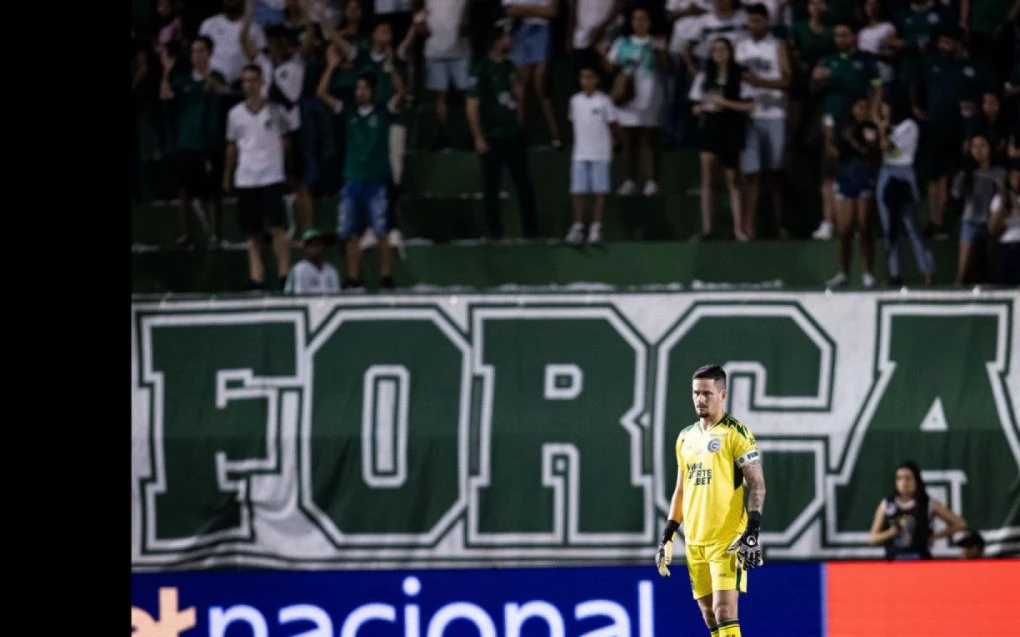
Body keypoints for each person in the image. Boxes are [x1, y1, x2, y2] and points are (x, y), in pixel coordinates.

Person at [656, 365, 766, 637]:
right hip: (694, 540)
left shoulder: (736, 433)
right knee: (709, 615)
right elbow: (680, 490)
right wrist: (669, 534)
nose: (700, 399)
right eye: (696, 393)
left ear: (722, 394)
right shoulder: (685, 437)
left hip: (727, 538)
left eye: (707, 393)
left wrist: (752, 530)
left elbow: (757, 484)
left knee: (725, 610)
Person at [466, 20, 539, 240]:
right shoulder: (481, 68)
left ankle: (531, 231)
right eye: (507, 37)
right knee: (492, 187)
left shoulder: (510, 67)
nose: (511, 40)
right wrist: (478, 136)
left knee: (524, 183)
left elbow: (518, 99)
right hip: (492, 136)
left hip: (513, 135)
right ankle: (494, 232)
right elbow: (472, 105)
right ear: (497, 41)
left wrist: (520, 123)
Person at [223, 63, 292, 291]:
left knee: (277, 228)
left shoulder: (276, 110)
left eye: (253, 80)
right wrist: (228, 174)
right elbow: (232, 147)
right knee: (252, 232)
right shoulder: (234, 114)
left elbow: (286, 142)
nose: (249, 85)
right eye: (245, 81)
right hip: (247, 177)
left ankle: (284, 276)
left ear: (262, 82)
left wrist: (285, 169)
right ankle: (257, 278)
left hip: (271, 176)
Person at [335, 72, 399, 290]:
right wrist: (332, 66)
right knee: (349, 231)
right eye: (357, 88)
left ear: (373, 91)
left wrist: (392, 71)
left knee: (382, 230)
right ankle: (353, 276)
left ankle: (386, 275)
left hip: (377, 181)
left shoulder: (383, 112)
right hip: (352, 179)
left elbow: (401, 93)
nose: (359, 92)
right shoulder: (349, 112)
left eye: (364, 88)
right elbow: (321, 93)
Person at [689, 38, 754, 241]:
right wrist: (701, 108)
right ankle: (708, 229)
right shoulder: (703, 77)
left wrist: (725, 102)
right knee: (707, 179)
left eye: (722, 48)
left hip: (732, 128)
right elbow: (694, 106)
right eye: (715, 49)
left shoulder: (740, 76)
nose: (718, 52)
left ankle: (738, 229)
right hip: (710, 128)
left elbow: (750, 106)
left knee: (734, 179)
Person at [736, 3, 792, 239]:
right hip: (750, 114)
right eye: (750, 21)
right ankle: (748, 228)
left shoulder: (777, 45)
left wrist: (760, 83)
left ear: (767, 21)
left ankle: (780, 225)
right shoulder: (741, 46)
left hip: (775, 114)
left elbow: (788, 80)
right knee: (751, 174)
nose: (753, 25)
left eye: (758, 21)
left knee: (776, 172)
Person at [603, 6, 668, 196]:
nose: (639, 22)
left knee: (649, 138)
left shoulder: (656, 43)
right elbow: (610, 67)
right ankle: (630, 180)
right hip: (628, 92)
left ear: (649, 22)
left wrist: (661, 51)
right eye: (635, 19)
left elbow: (666, 67)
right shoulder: (622, 43)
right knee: (629, 139)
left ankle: (652, 181)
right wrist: (601, 53)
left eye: (643, 18)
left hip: (651, 92)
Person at [874, 100, 934, 286]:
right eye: (882, 106)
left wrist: (882, 129)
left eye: (887, 106)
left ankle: (927, 271)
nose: (885, 110)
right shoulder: (885, 126)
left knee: (912, 226)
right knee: (889, 228)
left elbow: (887, 146)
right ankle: (895, 273)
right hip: (886, 172)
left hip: (904, 173)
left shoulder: (909, 126)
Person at [826, 97, 881, 289]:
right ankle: (843, 273)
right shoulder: (842, 126)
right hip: (846, 177)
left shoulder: (871, 128)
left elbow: (869, 151)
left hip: (863, 176)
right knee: (844, 230)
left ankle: (868, 273)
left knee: (864, 227)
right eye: (859, 107)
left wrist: (852, 141)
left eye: (866, 107)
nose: (863, 110)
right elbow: (833, 151)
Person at [868, 461, 968, 560]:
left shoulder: (928, 504)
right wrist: (891, 532)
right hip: (894, 562)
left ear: (917, 480)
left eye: (908, 478)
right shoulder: (886, 504)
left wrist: (935, 536)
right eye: (899, 478)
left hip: (920, 562)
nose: (903, 483)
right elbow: (873, 538)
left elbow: (960, 524)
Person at [565, 66, 616, 245]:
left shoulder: (604, 101)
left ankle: (596, 227)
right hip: (580, 153)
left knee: (599, 191)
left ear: (597, 80)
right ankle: (578, 226)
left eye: (590, 77)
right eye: (583, 77)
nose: (586, 81)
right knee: (578, 191)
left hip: (600, 153)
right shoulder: (575, 101)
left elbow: (612, 123)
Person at [950, 134, 1007, 285]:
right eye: (974, 146)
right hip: (970, 221)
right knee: (962, 269)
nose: (978, 150)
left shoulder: (999, 173)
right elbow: (956, 197)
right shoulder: (964, 174)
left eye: (982, 145)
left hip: (993, 224)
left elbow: (1004, 199)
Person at [988, 168, 1020, 285]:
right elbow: (992, 229)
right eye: (1013, 177)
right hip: (1004, 246)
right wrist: (1003, 205)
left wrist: (1015, 204)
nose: (1016, 180)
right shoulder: (998, 199)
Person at [284, 229, 341, 294]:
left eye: (318, 244)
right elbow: (293, 299)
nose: (315, 247)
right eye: (311, 245)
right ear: (304, 248)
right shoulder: (299, 269)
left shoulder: (331, 270)